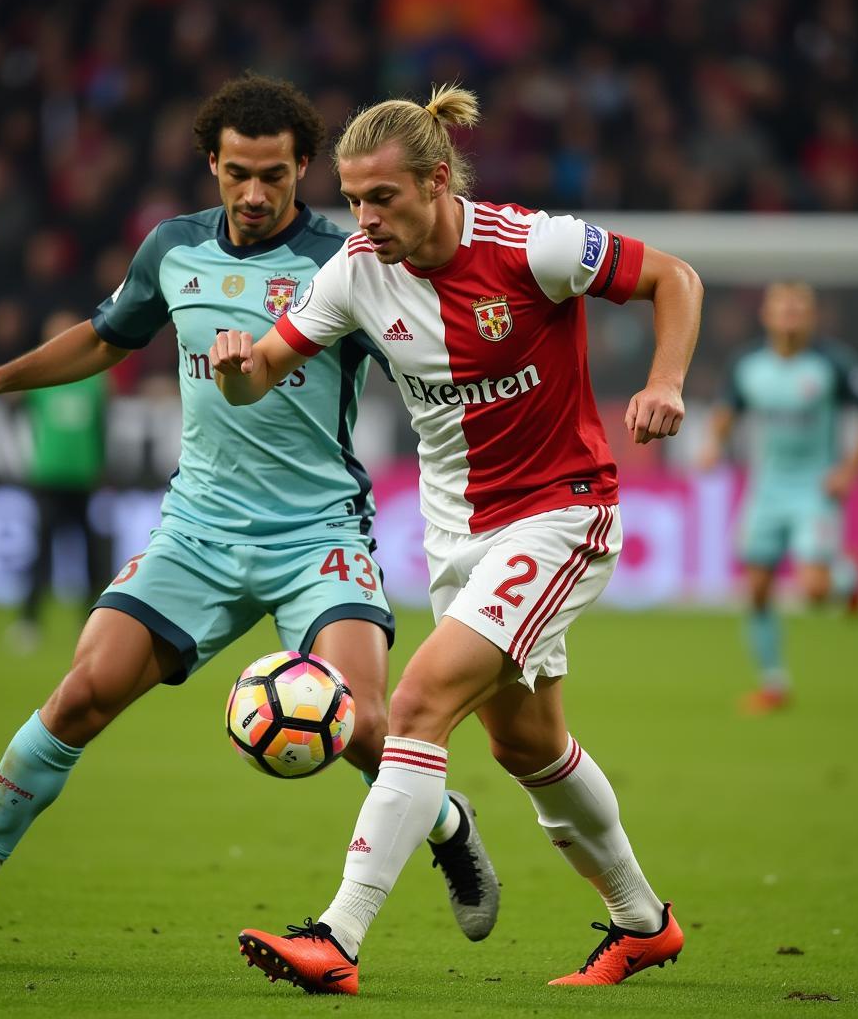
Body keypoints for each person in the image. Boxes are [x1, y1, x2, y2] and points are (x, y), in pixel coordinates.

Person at [0, 74, 498, 954]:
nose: (254, 194)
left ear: (304, 170)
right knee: (82, 692)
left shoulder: (346, 262)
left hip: (316, 532)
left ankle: (451, 831)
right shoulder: (172, 249)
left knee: (362, 722)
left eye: (274, 177)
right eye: (237, 173)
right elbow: (104, 337)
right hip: (197, 530)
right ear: (211, 163)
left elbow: (430, 354)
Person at [210, 83, 703, 993]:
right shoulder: (357, 269)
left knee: (423, 698)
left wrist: (666, 381)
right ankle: (644, 923)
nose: (363, 218)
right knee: (526, 746)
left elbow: (676, 278)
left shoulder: (533, 245)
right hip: (457, 535)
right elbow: (263, 371)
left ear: (438, 180)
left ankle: (338, 936)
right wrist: (237, 370)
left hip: (561, 512)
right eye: (352, 198)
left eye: (381, 197)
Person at [699, 281, 858, 713]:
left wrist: (849, 469)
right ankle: (773, 684)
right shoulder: (748, 365)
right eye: (782, 307)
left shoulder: (832, 363)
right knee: (758, 588)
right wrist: (713, 445)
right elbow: (727, 412)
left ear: (810, 316)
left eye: (798, 308)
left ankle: (848, 578)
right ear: (766, 315)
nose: (789, 315)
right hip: (766, 490)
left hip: (814, 490)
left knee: (814, 591)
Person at [7, 308, 110, 653]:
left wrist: (100, 467)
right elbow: (14, 408)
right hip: (48, 474)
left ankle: (92, 620)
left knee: (89, 553)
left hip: (81, 476)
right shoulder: (43, 379)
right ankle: (29, 619)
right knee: (43, 550)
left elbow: (101, 429)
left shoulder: (95, 378)